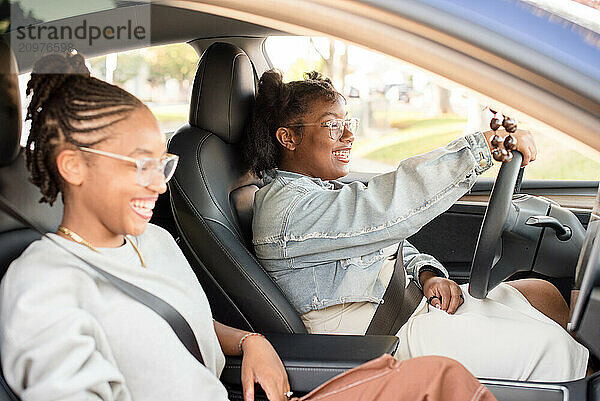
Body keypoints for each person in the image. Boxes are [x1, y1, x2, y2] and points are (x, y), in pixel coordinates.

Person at [0, 51, 498, 401]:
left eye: (163, 166)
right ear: (72, 166)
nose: (158, 185)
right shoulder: (41, 286)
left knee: (440, 378)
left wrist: (251, 342)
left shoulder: (150, 241)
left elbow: (189, 322)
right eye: (139, 165)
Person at [244, 69, 589, 382]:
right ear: (287, 138)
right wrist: (486, 146)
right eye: (333, 125)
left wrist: (427, 274)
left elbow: (381, 241)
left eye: (348, 122)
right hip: (385, 336)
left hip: (410, 304)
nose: (349, 135)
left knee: (542, 297)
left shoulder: (316, 190)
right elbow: (385, 210)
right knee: (553, 350)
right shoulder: (287, 212)